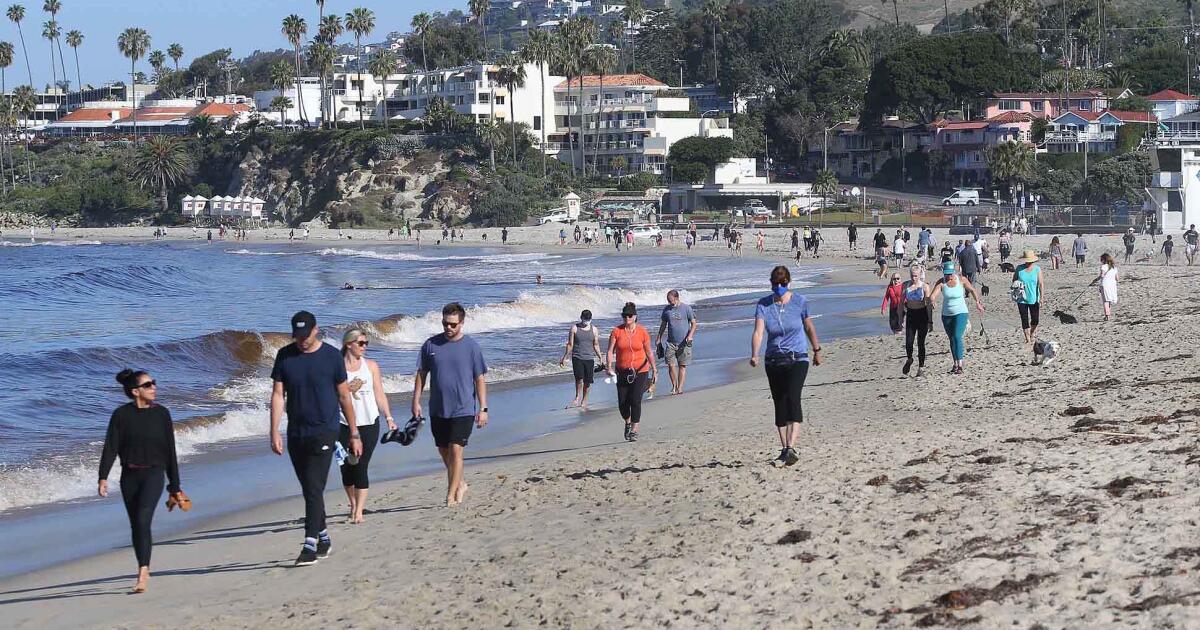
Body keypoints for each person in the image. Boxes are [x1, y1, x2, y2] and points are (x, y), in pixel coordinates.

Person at [270, 311, 360, 566]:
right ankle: (323, 537)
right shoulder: (285, 356)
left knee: (314, 486)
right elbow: (278, 395)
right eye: (297, 336)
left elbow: (344, 396)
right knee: (309, 488)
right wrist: (274, 430)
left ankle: (309, 545)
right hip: (296, 432)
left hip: (325, 430)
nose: (302, 340)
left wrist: (353, 433)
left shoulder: (331, 356)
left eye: (305, 335)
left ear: (316, 330)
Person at [98, 369, 185, 594]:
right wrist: (103, 477)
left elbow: (170, 452)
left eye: (153, 383)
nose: (154, 387)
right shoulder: (121, 415)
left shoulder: (162, 414)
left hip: (154, 474)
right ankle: (142, 565)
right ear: (136, 391)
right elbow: (111, 447)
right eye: (148, 385)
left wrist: (174, 485)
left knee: (143, 518)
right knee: (136, 525)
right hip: (129, 477)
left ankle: (143, 573)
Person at [412, 303, 489, 507]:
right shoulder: (430, 345)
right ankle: (461, 483)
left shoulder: (471, 347)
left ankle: (450, 495)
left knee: (456, 450)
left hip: (463, 408)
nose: (448, 328)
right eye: (445, 323)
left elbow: (479, 378)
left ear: (461, 323)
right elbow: (421, 374)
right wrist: (416, 401)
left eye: (453, 324)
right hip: (438, 408)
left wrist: (483, 408)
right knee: (443, 450)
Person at [749, 265, 822, 467]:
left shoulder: (800, 302)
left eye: (781, 284)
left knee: (792, 397)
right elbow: (758, 332)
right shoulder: (763, 305)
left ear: (788, 283)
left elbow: (808, 326)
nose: (778, 287)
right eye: (775, 284)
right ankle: (785, 449)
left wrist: (817, 349)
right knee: (779, 402)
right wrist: (754, 354)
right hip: (773, 360)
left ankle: (791, 446)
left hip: (797, 358)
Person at [338, 329, 397, 524]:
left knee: (361, 465)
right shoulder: (336, 367)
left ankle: (359, 511)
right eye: (361, 343)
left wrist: (388, 417)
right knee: (346, 467)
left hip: (369, 423)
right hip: (341, 424)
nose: (365, 347)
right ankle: (353, 504)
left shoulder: (371, 366)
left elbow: (379, 393)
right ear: (349, 344)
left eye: (366, 343)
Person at [606, 302, 657, 442]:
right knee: (623, 403)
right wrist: (608, 366)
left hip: (641, 370)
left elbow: (649, 352)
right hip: (622, 371)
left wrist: (655, 369)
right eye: (624, 316)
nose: (626, 318)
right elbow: (610, 351)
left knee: (635, 400)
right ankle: (627, 422)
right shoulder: (617, 331)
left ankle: (634, 429)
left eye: (629, 315)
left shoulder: (642, 331)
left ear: (635, 316)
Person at [929, 261, 985, 374]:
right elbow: (933, 295)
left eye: (950, 274)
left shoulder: (961, 280)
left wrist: (978, 303)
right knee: (952, 338)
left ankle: (960, 364)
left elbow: (972, 290)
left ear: (953, 272)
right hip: (946, 315)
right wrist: (932, 301)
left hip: (961, 313)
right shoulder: (941, 282)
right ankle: (955, 363)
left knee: (957, 336)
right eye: (946, 274)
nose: (948, 276)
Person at [657, 290, 698, 395]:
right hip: (670, 343)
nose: (669, 303)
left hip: (684, 342)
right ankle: (674, 386)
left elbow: (694, 324)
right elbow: (663, 325)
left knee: (682, 365)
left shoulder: (686, 308)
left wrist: (690, 336)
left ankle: (680, 388)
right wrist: (658, 338)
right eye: (668, 300)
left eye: (670, 300)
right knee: (671, 365)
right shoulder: (666, 310)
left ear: (676, 298)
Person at [559, 310, 602, 409]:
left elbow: (596, 344)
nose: (586, 321)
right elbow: (570, 344)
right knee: (579, 379)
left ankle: (584, 401)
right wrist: (565, 357)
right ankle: (577, 397)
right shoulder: (574, 328)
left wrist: (600, 357)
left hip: (589, 358)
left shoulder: (594, 330)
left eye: (588, 319)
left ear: (591, 319)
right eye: (585, 319)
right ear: (581, 317)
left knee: (588, 381)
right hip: (577, 357)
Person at [901, 266, 932, 377]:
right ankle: (909, 359)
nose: (914, 278)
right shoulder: (905, 285)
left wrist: (930, 321)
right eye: (912, 275)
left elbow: (928, 305)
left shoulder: (925, 286)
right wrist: (901, 318)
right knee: (909, 342)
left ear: (920, 275)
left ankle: (921, 368)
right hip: (910, 315)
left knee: (920, 342)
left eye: (916, 276)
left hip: (922, 315)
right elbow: (901, 304)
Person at [1012, 250, 1044, 345]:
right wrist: (1017, 285)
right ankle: (1027, 338)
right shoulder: (1019, 268)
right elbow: (1014, 280)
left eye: (1030, 261)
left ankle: (1032, 333)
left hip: (1034, 298)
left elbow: (1041, 284)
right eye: (1027, 261)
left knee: (1035, 319)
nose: (1028, 263)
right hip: (1021, 298)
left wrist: (1042, 298)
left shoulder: (1037, 269)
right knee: (1024, 318)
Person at [1097, 253, 1119, 320]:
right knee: (1109, 300)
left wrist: (1096, 279)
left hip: (1105, 285)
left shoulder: (1103, 266)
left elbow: (1102, 275)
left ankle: (1107, 315)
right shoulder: (1114, 267)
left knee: (1105, 300)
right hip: (1112, 285)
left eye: (1101, 259)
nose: (1101, 261)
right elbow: (1117, 278)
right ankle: (1108, 313)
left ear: (1104, 260)